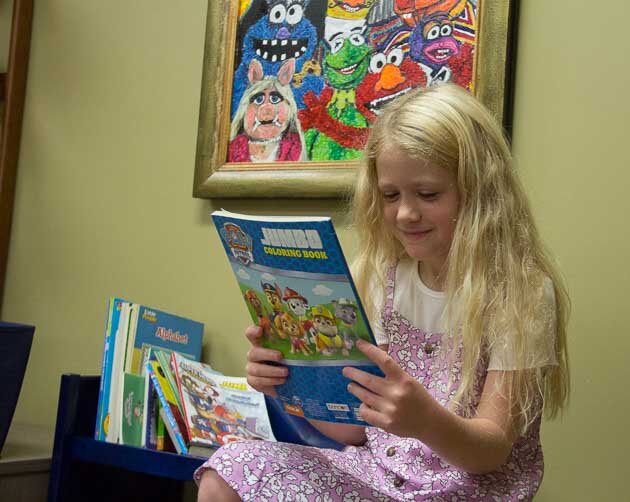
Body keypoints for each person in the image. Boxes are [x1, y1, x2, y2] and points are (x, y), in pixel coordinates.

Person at [195, 83, 570, 501]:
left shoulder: (522, 292)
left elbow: (492, 449)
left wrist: (424, 420)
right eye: (390, 195)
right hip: (377, 477)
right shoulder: (379, 277)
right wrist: (285, 383)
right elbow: (355, 428)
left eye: (428, 194)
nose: (406, 213)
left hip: (467, 491)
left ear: (480, 192)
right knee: (229, 469)